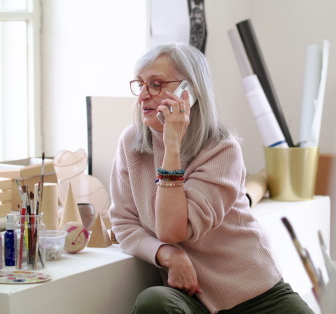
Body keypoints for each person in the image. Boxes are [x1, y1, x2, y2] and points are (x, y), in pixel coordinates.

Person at [109, 42, 313, 313]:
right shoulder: (131, 143)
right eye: (141, 84)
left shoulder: (222, 149)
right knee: (153, 302)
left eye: (156, 84)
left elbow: (172, 229)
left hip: (257, 295)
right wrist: (168, 254)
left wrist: (172, 147)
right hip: (193, 297)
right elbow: (124, 224)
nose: (143, 96)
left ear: (189, 93)